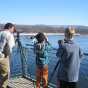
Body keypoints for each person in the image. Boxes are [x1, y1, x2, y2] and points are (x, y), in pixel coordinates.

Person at [0, 23, 16, 88]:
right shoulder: (9, 34)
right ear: (10, 27)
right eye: (13, 29)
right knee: (6, 73)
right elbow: (11, 46)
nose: (13, 30)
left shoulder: (0, 33)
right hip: (3, 56)